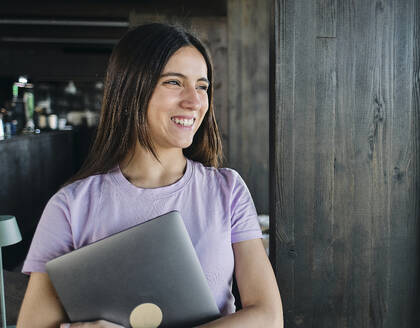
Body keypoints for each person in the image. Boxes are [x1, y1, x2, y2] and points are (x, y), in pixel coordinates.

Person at [16, 23, 283, 328]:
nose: (195, 101)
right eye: (173, 82)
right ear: (131, 89)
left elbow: (268, 317)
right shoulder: (70, 206)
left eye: (202, 86)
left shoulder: (227, 189)